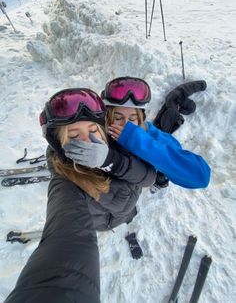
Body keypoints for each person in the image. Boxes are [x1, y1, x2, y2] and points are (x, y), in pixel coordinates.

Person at [5, 88, 155, 303]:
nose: (88, 140)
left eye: (94, 130)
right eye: (74, 136)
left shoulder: (119, 142)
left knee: (129, 215)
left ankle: (129, 223)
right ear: (60, 144)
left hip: (128, 210)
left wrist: (110, 160)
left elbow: (148, 178)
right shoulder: (66, 181)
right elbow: (67, 241)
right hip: (99, 223)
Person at [101, 76, 211, 189]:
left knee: (170, 110)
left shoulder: (150, 135)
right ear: (108, 117)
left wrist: (140, 142)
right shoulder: (98, 131)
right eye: (118, 118)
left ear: (140, 119)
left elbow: (201, 177)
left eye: (132, 118)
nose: (125, 124)